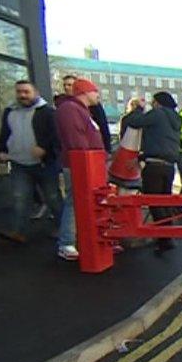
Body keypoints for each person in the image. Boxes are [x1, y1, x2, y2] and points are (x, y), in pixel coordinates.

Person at [0, 80, 63, 244]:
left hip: (44, 163)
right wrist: (2, 150)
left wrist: (44, 148)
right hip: (19, 163)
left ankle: (64, 229)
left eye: (26, 92)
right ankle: (18, 231)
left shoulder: (47, 112)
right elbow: (5, 132)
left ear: (36, 93)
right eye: (19, 92)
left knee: (53, 197)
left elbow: (56, 135)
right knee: (20, 197)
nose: (22, 95)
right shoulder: (10, 112)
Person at [123, 91, 182, 254]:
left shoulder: (158, 114)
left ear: (157, 103)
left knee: (154, 202)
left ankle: (164, 239)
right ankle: (167, 236)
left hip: (154, 166)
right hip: (169, 166)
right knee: (164, 201)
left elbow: (134, 122)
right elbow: (162, 142)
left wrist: (137, 108)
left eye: (152, 103)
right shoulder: (177, 119)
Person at [54, 78, 105, 260]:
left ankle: (81, 240)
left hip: (88, 164)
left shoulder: (81, 111)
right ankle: (66, 242)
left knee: (82, 202)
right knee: (75, 201)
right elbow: (76, 140)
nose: (97, 95)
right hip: (80, 165)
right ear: (85, 92)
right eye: (95, 91)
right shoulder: (70, 110)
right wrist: (87, 159)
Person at [62, 74, 111, 153]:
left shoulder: (93, 107)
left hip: (94, 156)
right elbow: (77, 140)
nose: (66, 88)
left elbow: (103, 126)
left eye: (70, 85)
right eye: (65, 85)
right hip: (86, 158)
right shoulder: (68, 109)